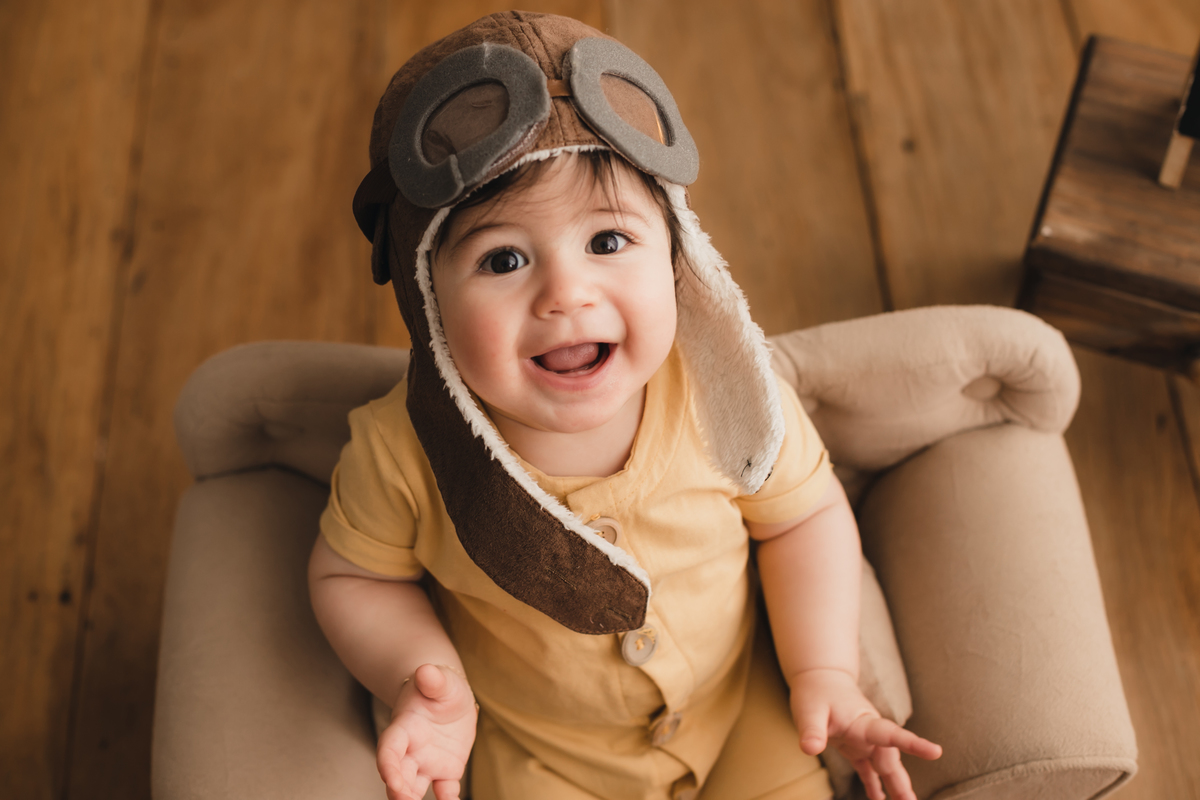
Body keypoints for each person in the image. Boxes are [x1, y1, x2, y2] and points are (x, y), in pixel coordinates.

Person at [309, 11, 941, 800]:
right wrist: (423, 678)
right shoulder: (402, 453)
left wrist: (824, 671)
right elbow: (352, 578)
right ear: (426, 297)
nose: (566, 294)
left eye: (607, 242)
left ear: (678, 254)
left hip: (741, 708)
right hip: (547, 758)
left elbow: (802, 519)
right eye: (503, 259)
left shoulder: (725, 398)